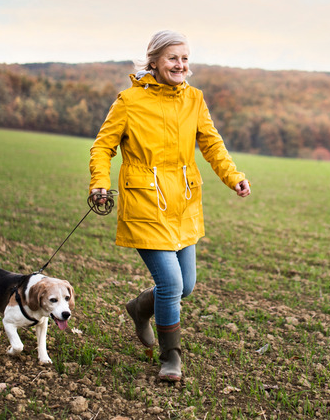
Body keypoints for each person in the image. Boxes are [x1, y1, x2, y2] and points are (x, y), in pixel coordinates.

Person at [88, 30, 251, 381]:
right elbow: (103, 147)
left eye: (185, 59)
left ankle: (138, 308)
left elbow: (212, 144)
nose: (181, 65)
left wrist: (233, 176)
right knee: (172, 284)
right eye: (173, 58)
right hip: (145, 202)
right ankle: (171, 357)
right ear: (154, 61)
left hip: (184, 202)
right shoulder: (129, 101)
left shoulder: (195, 99)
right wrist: (99, 183)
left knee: (185, 286)